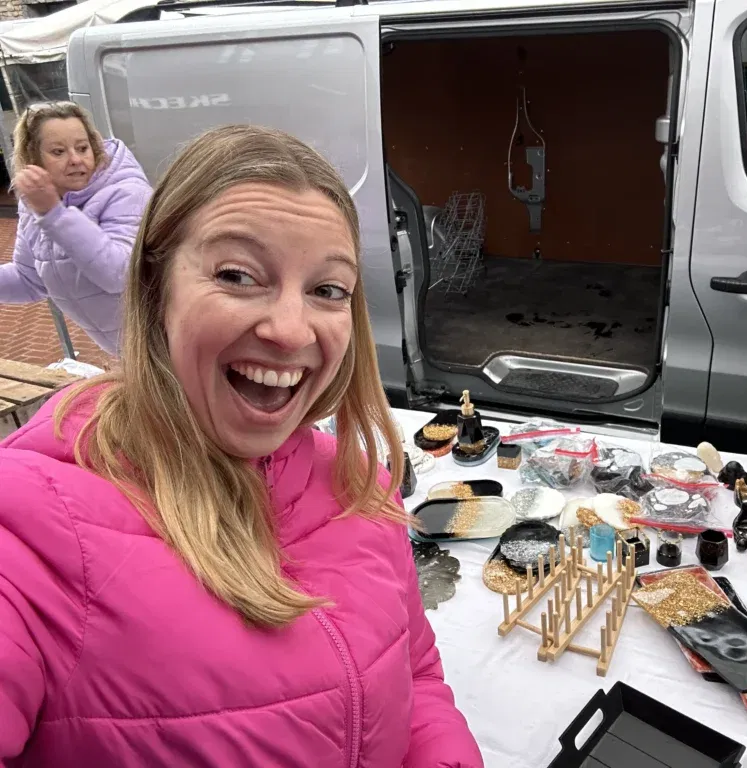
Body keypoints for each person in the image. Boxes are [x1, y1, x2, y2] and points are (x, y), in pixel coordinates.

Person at [0, 124, 483, 766]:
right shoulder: (29, 528)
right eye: (237, 275)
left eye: (327, 289)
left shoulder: (358, 485)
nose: (291, 330)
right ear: (154, 288)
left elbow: (415, 675)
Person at [0, 101, 152, 356]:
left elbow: (121, 275)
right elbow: (29, 279)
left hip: (167, 339)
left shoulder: (127, 192)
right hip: (129, 351)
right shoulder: (37, 201)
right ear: (33, 157)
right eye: (58, 152)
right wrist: (47, 209)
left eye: (82, 148)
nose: (75, 160)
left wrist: (53, 214)